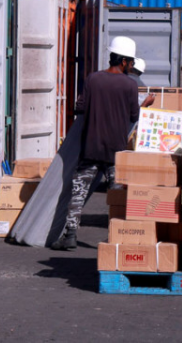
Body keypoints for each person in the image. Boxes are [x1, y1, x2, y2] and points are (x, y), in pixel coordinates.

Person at [52, 36, 141, 250]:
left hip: (91, 147)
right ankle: (116, 236)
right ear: (123, 61)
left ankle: (70, 234)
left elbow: (80, 107)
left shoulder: (93, 79)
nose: (131, 66)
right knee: (117, 196)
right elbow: (133, 115)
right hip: (115, 152)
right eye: (131, 62)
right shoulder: (130, 85)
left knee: (78, 191)